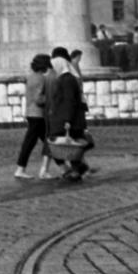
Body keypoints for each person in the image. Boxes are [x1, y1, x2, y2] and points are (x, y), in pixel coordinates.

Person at [46, 46, 93, 180]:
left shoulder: (66, 79)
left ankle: (74, 171)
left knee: (58, 146)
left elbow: (69, 101)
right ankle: (77, 170)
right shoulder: (67, 78)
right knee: (70, 147)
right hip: (69, 118)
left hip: (66, 119)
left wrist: (67, 120)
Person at [14, 53, 53, 179]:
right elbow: (38, 98)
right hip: (38, 114)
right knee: (39, 142)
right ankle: (21, 169)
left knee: (46, 142)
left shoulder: (31, 77)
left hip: (31, 113)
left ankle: (64, 167)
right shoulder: (41, 78)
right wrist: (51, 99)